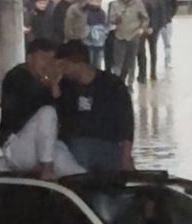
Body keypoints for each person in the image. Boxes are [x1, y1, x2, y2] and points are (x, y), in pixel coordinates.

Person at [0, 39, 85, 179]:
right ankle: (47, 170)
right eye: (43, 58)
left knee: (76, 174)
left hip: (45, 147)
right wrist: (50, 87)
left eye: (51, 60)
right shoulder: (17, 76)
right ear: (29, 58)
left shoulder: (52, 82)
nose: (47, 65)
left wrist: (55, 87)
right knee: (47, 112)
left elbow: (65, 118)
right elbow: (36, 107)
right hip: (17, 147)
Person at [55, 40, 135, 173]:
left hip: (106, 145)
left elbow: (126, 123)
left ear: (75, 63)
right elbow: (58, 118)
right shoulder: (65, 86)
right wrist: (54, 88)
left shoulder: (112, 85)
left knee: (81, 148)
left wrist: (126, 157)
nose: (61, 71)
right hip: (73, 146)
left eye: (62, 66)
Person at [109, 0, 149, 89]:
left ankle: (130, 84)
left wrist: (142, 29)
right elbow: (111, 20)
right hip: (120, 36)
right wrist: (117, 19)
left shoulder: (138, 3)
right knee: (118, 62)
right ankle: (117, 83)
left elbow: (145, 18)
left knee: (131, 62)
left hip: (134, 35)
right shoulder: (115, 4)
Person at [137, 0, 167, 82]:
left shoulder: (158, 2)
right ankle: (142, 74)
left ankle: (153, 73)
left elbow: (161, 15)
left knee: (153, 51)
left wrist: (153, 27)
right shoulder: (138, 1)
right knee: (141, 52)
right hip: (141, 30)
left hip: (154, 29)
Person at [85, 0, 108, 69]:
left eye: (98, 1)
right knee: (89, 64)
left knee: (97, 65)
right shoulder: (86, 12)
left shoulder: (102, 13)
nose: (96, 3)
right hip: (89, 43)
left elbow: (105, 27)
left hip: (99, 44)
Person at [160, 0, 177, 69]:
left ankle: (168, 61)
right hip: (154, 22)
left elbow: (175, 6)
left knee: (167, 43)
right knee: (152, 45)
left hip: (167, 22)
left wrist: (170, 15)